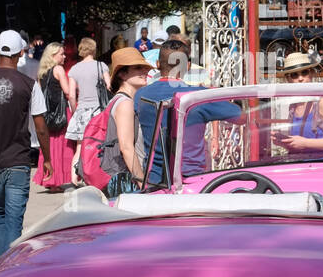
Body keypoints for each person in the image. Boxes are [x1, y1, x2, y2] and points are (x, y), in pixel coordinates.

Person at [0, 29, 52, 259]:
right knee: (14, 221)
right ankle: (11, 271)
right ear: (21, 53)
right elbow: (41, 127)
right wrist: (48, 158)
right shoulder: (29, 84)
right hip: (18, 161)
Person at [137, 40, 243, 184]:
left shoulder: (141, 95)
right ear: (187, 66)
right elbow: (241, 116)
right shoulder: (197, 96)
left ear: (157, 64)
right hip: (191, 180)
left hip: (153, 180)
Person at [277, 51, 323, 155]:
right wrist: (284, 142)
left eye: (304, 72)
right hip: (301, 165)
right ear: (288, 79)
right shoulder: (293, 106)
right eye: (294, 75)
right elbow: (299, 143)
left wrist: (305, 143)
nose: (300, 78)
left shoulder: (322, 102)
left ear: (311, 73)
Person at [102, 47, 153, 196]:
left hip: (119, 177)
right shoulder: (125, 103)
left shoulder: (118, 100)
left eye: (145, 67)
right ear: (122, 74)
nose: (145, 72)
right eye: (138, 68)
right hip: (124, 181)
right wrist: (143, 184)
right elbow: (126, 148)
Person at [66, 37, 110, 181]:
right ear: (93, 48)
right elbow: (109, 86)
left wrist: (75, 111)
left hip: (82, 110)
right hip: (98, 111)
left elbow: (71, 95)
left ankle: (74, 178)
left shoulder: (74, 69)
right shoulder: (101, 66)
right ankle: (95, 176)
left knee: (80, 146)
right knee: (97, 145)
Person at [33, 42, 74, 192]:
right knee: (63, 145)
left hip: (47, 114)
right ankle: (58, 180)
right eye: (61, 54)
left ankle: (50, 179)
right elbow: (68, 92)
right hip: (61, 113)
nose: (64, 56)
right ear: (53, 55)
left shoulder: (42, 73)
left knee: (49, 146)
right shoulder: (58, 69)